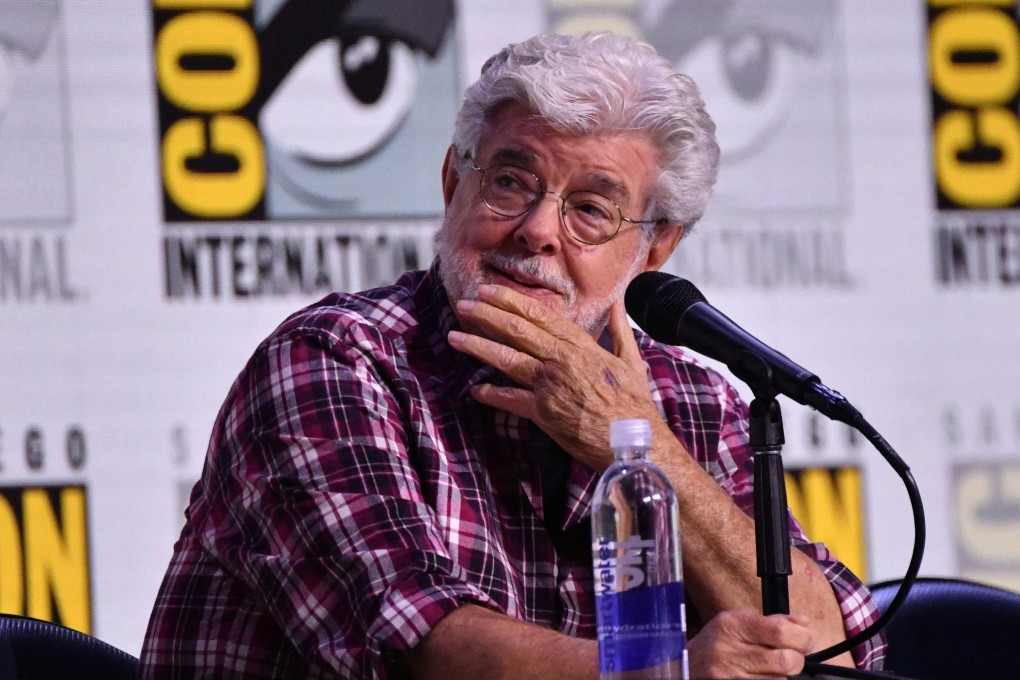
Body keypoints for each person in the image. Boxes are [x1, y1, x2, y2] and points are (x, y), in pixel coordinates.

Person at [140, 32, 885, 679]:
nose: (536, 230)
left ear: (655, 247)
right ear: (452, 183)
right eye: (509, 182)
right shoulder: (333, 363)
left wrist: (638, 443)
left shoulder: (689, 403)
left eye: (591, 208)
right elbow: (425, 649)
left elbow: (830, 651)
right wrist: (669, 674)